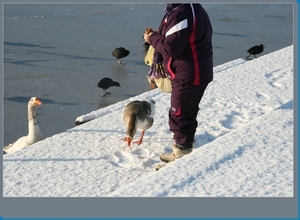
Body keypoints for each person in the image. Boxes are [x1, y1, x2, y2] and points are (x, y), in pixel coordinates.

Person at [143, 3, 213, 164]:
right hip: (192, 70)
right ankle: (182, 150)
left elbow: (171, 47)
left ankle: (181, 159)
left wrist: (152, 38)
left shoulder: (183, 12)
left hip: (190, 73)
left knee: (180, 114)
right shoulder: (183, 9)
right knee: (184, 112)